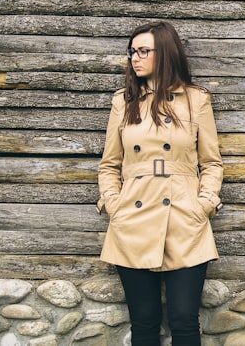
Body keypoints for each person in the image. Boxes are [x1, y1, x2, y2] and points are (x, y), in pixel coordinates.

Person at [96, 21, 224, 346]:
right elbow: (109, 165)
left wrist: (204, 204)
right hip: (132, 220)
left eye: (143, 51)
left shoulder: (196, 101)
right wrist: (115, 205)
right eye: (132, 52)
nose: (134, 58)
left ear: (164, 53)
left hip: (184, 219)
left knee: (183, 320)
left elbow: (211, 163)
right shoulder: (123, 102)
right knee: (144, 322)